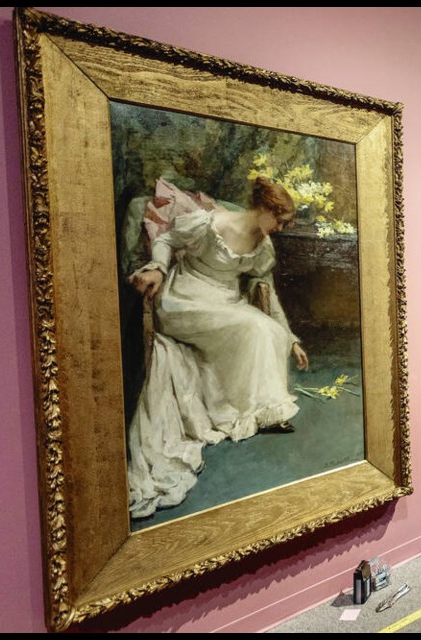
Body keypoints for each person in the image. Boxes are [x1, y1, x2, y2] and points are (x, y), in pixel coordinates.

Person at [125, 176, 309, 519]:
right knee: (252, 325)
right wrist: (159, 267)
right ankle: (247, 408)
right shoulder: (212, 224)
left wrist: (292, 337)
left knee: (268, 330)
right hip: (186, 298)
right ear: (264, 209)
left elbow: (268, 292)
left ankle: (263, 409)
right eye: (280, 221)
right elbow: (166, 239)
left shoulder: (263, 248)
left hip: (225, 302)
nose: (281, 229)